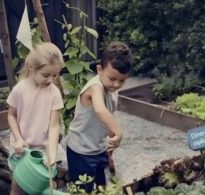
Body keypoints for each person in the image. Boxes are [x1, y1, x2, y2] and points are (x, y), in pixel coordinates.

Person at [65, 41, 133, 191]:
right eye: (112, 79)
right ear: (99, 70)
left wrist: (110, 146)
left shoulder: (113, 88)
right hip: (81, 151)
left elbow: (107, 117)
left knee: (102, 187)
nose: (116, 85)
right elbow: (101, 111)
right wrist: (119, 132)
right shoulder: (95, 87)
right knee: (82, 190)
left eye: (122, 80)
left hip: (98, 148)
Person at [7, 42, 65, 194]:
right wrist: (18, 138)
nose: (51, 80)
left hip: (44, 150)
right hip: (22, 148)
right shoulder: (20, 89)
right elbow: (11, 115)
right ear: (32, 68)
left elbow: (54, 126)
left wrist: (51, 154)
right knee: (18, 187)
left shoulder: (54, 93)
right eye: (46, 75)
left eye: (55, 75)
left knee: (44, 187)